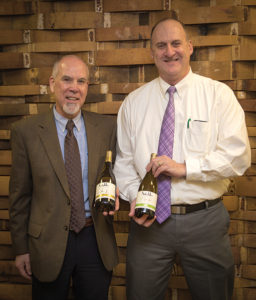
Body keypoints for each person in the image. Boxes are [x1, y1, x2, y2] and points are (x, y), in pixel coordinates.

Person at [113, 18, 251, 300]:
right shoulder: (134, 103)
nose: (169, 51)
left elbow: (238, 156)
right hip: (149, 225)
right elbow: (124, 164)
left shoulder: (217, 95)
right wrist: (135, 197)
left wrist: (186, 168)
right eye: (161, 45)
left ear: (190, 47)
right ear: (152, 53)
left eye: (176, 43)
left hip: (205, 221)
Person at [9, 54, 119, 300]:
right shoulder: (26, 132)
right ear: (52, 84)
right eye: (67, 79)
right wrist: (21, 249)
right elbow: (19, 197)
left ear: (87, 88)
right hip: (47, 243)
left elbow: (117, 175)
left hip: (95, 240)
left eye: (81, 81)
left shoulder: (107, 129)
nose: (74, 88)